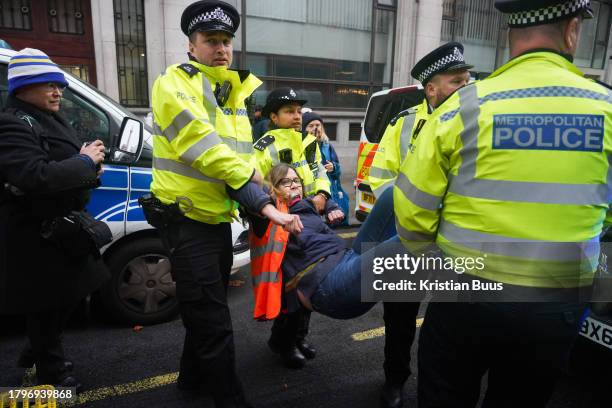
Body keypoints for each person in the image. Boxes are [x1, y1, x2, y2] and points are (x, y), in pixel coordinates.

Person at [393, 1, 611, 407]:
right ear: (572, 31)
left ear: (509, 34)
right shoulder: (607, 108)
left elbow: (410, 207)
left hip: (465, 293)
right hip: (557, 299)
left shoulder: (462, 106)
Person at [149, 2, 300, 407]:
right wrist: (253, 183)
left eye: (226, 40)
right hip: (185, 221)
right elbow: (204, 148)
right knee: (214, 322)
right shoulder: (173, 84)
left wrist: (264, 204)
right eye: (210, 40)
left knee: (204, 311)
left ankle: (190, 381)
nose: (220, 48)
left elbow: (242, 157)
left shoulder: (230, 90)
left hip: (215, 219)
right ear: (191, 46)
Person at [368, 42, 473, 408]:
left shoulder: (480, 120)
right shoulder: (403, 123)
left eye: (467, 79)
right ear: (432, 88)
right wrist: (409, 219)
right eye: (457, 81)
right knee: (399, 318)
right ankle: (394, 381)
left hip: (459, 245)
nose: (467, 86)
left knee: (455, 322)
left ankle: (446, 388)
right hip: (408, 240)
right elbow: (381, 179)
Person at [0, 48, 108, 390]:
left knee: (72, 295)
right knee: (47, 307)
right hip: (35, 235)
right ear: (22, 88)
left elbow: (63, 163)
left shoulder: (49, 117)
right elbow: (34, 176)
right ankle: (51, 371)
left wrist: (87, 166)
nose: (57, 91)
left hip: (61, 229)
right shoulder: (10, 123)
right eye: (47, 84)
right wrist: (85, 163)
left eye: (58, 84)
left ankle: (39, 348)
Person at [237, 164, 398, 321]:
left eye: (296, 181)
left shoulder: (307, 204)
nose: (294, 186)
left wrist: (331, 206)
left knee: (392, 194)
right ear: (273, 188)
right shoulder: (270, 215)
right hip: (329, 283)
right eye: (285, 182)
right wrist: (264, 192)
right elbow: (243, 186)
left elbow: (322, 198)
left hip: (349, 257)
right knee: (401, 245)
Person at [252, 87, 341, 369]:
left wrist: (322, 196)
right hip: (282, 226)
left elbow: (319, 175)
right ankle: (282, 342)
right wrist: (280, 208)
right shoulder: (263, 146)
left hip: (309, 220)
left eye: (298, 111)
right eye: (289, 111)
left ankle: (298, 337)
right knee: (290, 289)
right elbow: (257, 187)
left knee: (309, 283)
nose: (297, 116)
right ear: (273, 116)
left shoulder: (308, 142)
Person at [303, 111, 350, 227]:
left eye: (318, 125)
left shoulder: (327, 145)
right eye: (311, 126)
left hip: (332, 193)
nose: (315, 128)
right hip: (316, 196)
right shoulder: (302, 146)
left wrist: (334, 168)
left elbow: (338, 171)